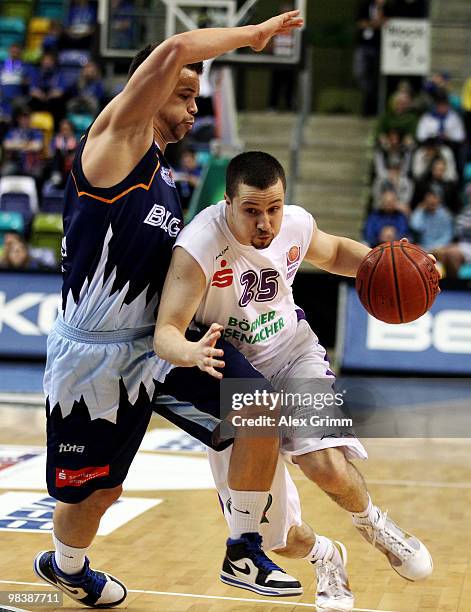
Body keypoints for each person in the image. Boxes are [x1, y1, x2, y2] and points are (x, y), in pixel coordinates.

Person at [32, 10, 304, 609]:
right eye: (183, 94)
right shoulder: (113, 144)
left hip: (160, 342)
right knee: (95, 497)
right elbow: (178, 45)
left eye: (196, 97)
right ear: (148, 90)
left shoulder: (164, 176)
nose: (193, 108)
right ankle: (67, 564)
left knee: (259, 404)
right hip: (94, 356)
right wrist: (248, 37)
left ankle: (244, 550)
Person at [154, 152, 433, 606]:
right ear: (227, 203)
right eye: (251, 210)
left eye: (274, 208)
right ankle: (326, 555)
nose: (265, 223)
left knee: (320, 459)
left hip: (292, 355)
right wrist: (190, 350)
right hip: (234, 379)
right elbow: (166, 330)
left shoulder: (295, 224)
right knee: (277, 538)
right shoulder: (199, 248)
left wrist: (399, 268)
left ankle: (375, 525)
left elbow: (337, 252)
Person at [410, 186, 454, 251]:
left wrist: (437, 247)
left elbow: (448, 235)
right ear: (425, 199)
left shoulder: (445, 215)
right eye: (429, 197)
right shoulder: (421, 213)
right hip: (423, 247)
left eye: (434, 197)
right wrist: (420, 210)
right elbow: (415, 226)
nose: (431, 200)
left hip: (440, 248)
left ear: (439, 199)